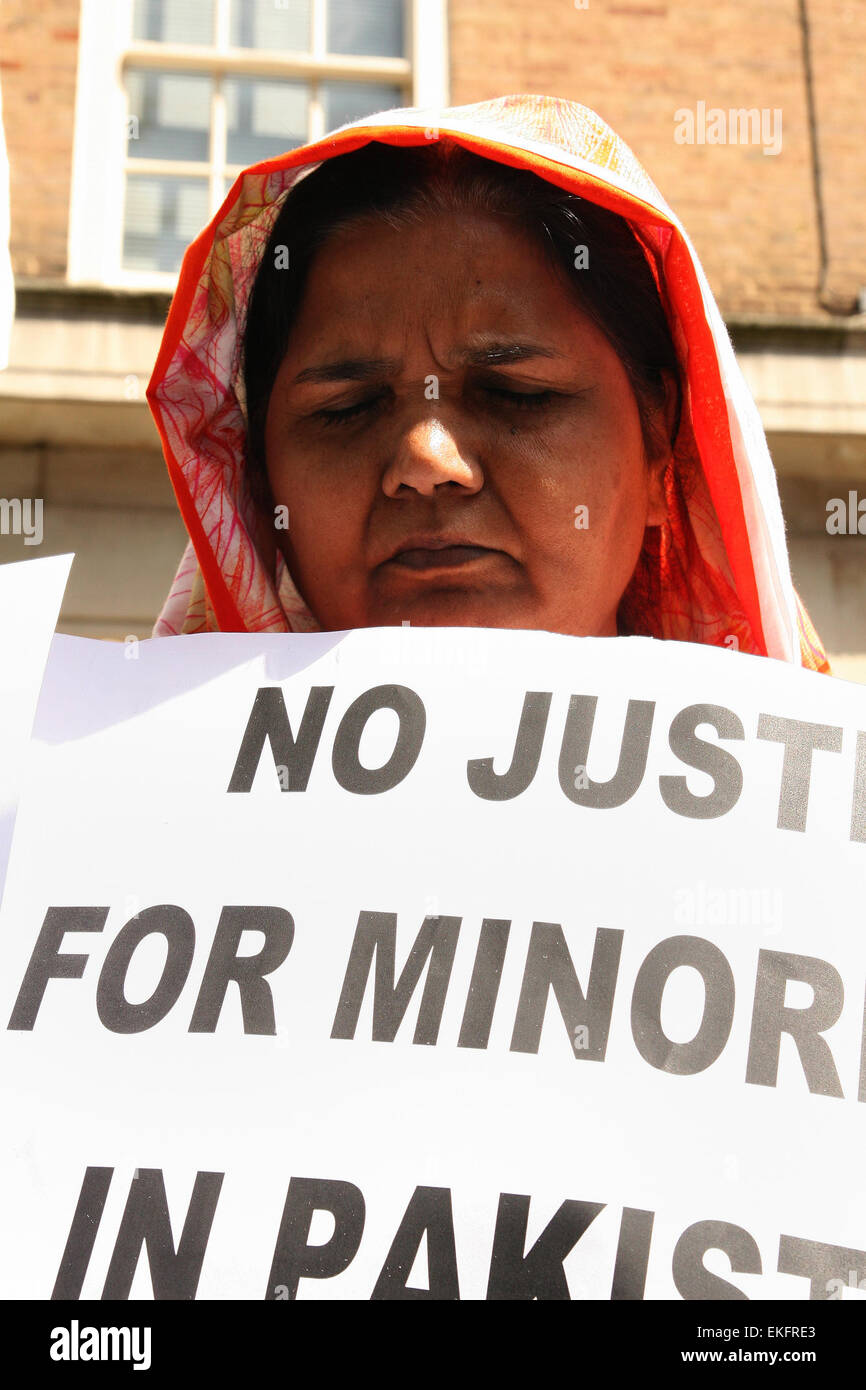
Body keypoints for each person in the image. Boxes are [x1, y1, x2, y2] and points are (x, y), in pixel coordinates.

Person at [147, 93, 830, 672]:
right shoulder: (124, 817)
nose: (426, 462)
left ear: (660, 444)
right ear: (260, 484)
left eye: (516, 394)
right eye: (347, 408)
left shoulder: (817, 821)